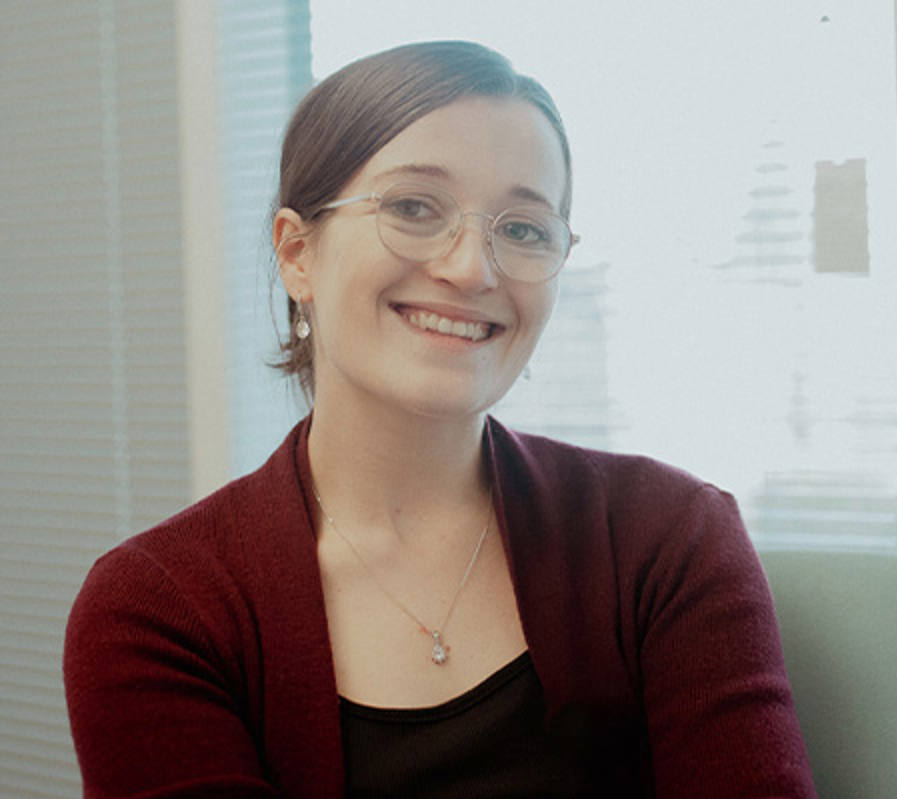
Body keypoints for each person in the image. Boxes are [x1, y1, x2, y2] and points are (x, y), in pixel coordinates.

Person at [64, 41, 816, 798]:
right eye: (414, 208)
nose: (472, 269)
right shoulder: (158, 610)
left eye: (523, 228)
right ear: (297, 253)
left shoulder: (670, 536)